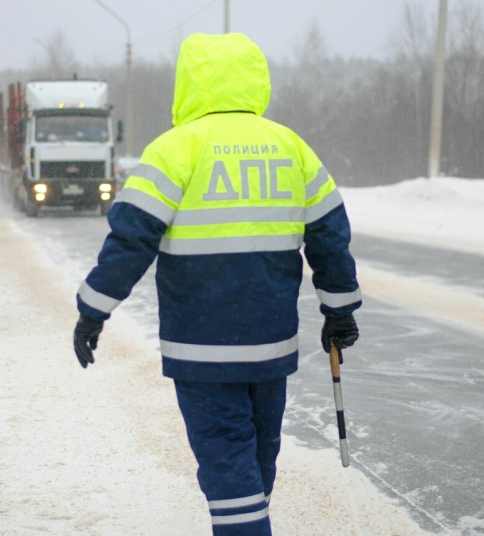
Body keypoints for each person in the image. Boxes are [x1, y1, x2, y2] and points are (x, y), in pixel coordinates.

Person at [73, 32, 361, 536]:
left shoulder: (174, 150)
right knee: (256, 458)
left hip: (202, 346)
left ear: (189, 82)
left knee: (229, 465)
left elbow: (131, 239)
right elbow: (330, 237)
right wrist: (339, 310)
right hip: (271, 345)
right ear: (255, 80)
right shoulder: (291, 147)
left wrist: (93, 309)